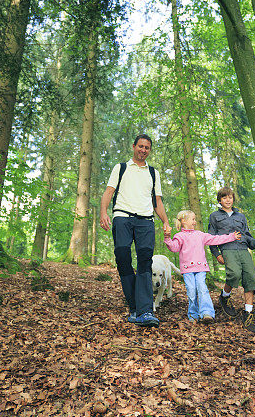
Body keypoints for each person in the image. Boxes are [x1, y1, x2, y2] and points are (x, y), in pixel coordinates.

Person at [99, 134, 172, 327]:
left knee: (145, 263)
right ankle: (134, 306)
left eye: (147, 147)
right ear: (134, 147)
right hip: (122, 217)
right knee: (123, 258)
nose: (143, 150)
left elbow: (157, 201)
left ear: (149, 150)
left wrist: (165, 221)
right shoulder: (121, 168)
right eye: (140, 146)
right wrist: (103, 212)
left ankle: (145, 311)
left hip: (146, 221)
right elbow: (108, 192)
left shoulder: (153, 173)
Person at [208, 187, 255, 331]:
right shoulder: (214, 216)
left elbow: (247, 235)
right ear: (220, 201)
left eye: (230, 197)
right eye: (224, 198)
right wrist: (216, 254)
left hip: (243, 249)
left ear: (233, 199)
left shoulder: (240, 216)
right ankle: (224, 296)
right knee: (234, 274)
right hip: (227, 249)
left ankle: (248, 313)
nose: (228, 200)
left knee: (251, 279)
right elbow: (211, 237)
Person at [164, 210, 240, 323]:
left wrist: (231, 236)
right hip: (187, 270)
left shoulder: (200, 235)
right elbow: (174, 248)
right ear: (184, 221)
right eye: (193, 219)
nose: (195, 221)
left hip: (200, 269)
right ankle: (193, 315)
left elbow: (216, 239)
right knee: (191, 291)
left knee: (202, 288)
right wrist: (167, 238)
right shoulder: (179, 236)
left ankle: (207, 313)